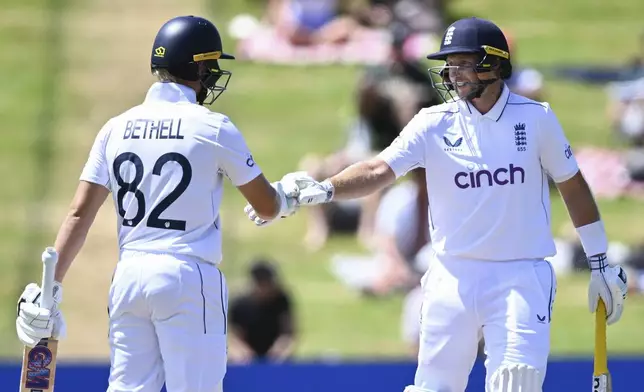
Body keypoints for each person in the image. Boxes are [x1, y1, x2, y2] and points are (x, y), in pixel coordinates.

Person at [245, 17, 629, 392]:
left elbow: (573, 187)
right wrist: (324, 188)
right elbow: (379, 168)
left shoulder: (535, 119)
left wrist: (599, 262)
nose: (453, 73)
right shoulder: (433, 123)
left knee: (517, 382)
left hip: (520, 274)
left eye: (464, 63)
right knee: (434, 386)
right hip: (452, 273)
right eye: (450, 64)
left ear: (495, 64)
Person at [15, 15, 298, 392]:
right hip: (187, 273)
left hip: (129, 278)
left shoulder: (115, 127)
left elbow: (79, 213)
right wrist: (290, 197)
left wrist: (49, 287)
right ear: (195, 65)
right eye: (210, 65)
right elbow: (266, 205)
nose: (212, 75)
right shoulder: (213, 127)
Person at [228, 259, 296, 363]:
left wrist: (281, 349)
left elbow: (288, 332)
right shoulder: (239, 303)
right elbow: (234, 337)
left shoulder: (281, 300)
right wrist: (242, 352)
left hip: (276, 358)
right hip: (246, 359)